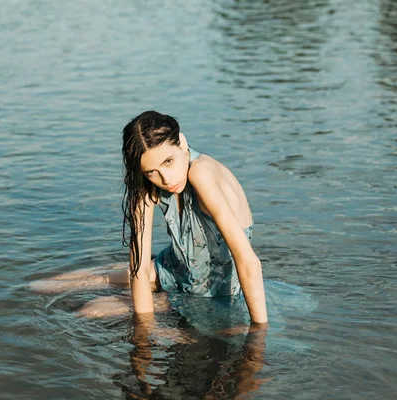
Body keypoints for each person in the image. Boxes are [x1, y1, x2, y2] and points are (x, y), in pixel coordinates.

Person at [30, 110, 267, 326]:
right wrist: (146, 330)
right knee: (45, 287)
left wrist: (259, 334)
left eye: (169, 162)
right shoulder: (146, 186)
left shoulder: (201, 172)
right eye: (151, 172)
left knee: (89, 312)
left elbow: (248, 261)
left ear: (182, 143)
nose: (165, 179)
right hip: (175, 268)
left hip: (212, 291)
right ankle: (27, 290)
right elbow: (139, 270)